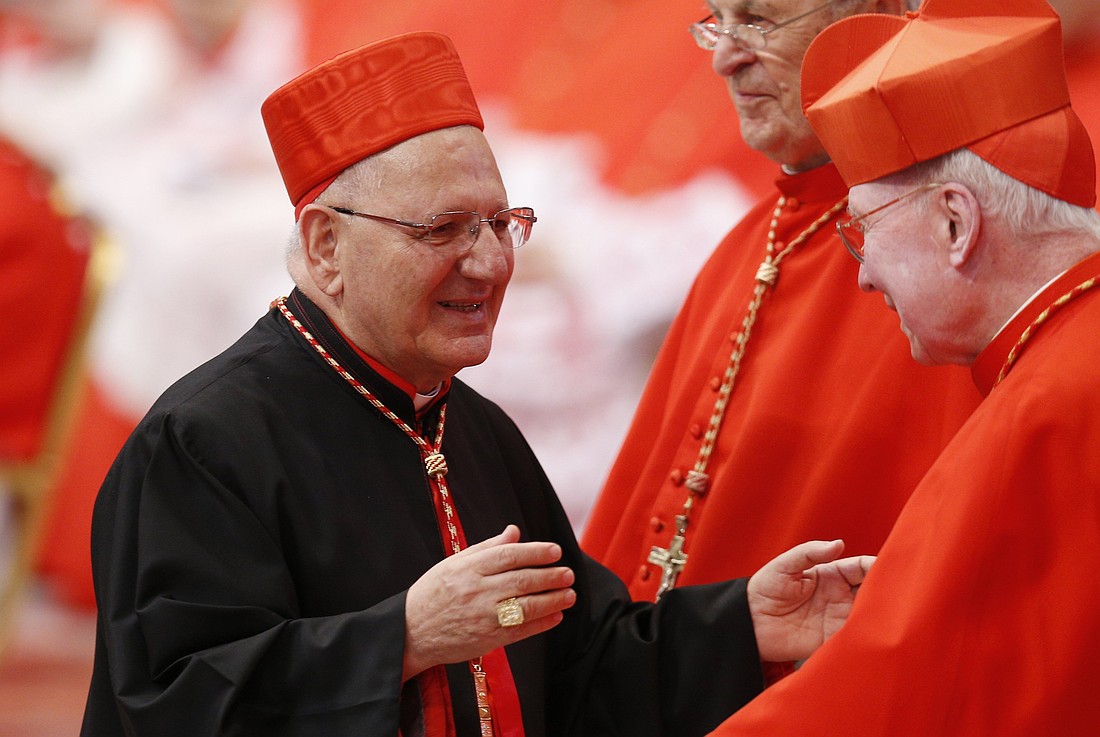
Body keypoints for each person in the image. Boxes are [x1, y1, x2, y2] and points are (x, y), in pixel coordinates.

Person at [79, 32, 874, 737]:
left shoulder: (476, 429)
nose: (491, 264)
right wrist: (405, 638)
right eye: (443, 230)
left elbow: (584, 666)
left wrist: (742, 624)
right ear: (326, 246)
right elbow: (175, 702)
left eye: (501, 223)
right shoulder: (203, 444)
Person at [709, 0, 1100, 733]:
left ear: (956, 222)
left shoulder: (1043, 412)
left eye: (863, 232)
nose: (861, 275)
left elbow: (893, 692)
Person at [582, 0, 980, 622]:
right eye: (718, 21)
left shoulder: (961, 254)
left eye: (761, 21)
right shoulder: (749, 242)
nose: (724, 57)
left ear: (885, 12)